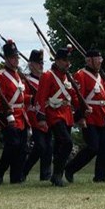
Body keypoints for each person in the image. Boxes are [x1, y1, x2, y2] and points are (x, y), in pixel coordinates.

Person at [65, 48, 105, 183]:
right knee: (93, 147)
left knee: (104, 149)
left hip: (102, 115)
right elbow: (76, 97)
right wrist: (80, 116)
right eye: (98, 59)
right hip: (89, 116)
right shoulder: (80, 75)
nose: (100, 61)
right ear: (89, 60)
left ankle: (100, 177)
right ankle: (70, 168)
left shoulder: (102, 77)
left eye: (100, 59)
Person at [35, 45, 86, 187]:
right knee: (67, 143)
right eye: (64, 60)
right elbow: (41, 97)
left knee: (60, 147)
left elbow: (74, 97)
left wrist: (81, 113)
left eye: (68, 61)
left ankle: (56, 175)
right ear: (57, 61)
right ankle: (57, 174)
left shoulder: (67, 77)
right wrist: (41, 117)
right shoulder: (48, 76)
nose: (67, 63)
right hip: (53, 114)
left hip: (67, 115)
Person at [0, 39, 32, 184]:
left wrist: (31, 99)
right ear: (6, 59)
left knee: (22, 148)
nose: (16, 60)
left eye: (16, 57)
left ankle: (16, 177)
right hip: (8, 116)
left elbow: (20, 97)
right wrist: (8, 114)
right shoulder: (1, 76)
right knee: (12, 146)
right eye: (13, 57)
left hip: (21, 115)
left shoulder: (18, 75)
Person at [22, 49, 53, 181]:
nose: (41, 65)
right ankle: (25, 170)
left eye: (42, 63)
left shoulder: (45, 79)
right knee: (40, 146)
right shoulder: (25, 80)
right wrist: (32, 97)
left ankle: (45, 175)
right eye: (38, 63)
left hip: (46, 115)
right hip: (33, 117)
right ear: (31, 64)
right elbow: (20, 97)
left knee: (49, 147)